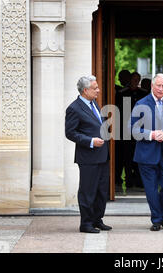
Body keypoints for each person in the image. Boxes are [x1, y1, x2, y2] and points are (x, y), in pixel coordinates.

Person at [130, 73, 163, 231]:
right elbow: (133, 129)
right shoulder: (141, 103)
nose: (161, 89)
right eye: (158, 85)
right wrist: (151, 134)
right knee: (151, 189)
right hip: (146, 154)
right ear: (152, 85)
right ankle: (157, 219)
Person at [65, 75, 112, 233]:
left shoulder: (94, 104)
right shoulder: (74, 108)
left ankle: (97, 219)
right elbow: (70, 133)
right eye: (95, 88)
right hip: (88, 158)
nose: (98, 90)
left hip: (102, 155)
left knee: (101, 191)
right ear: (85, 90)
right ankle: (86, 224)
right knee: (87, 191)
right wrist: (90, 141)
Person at [120, 72, 149, 188]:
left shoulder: (144, 94)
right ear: (130, 80)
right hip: (126, 129)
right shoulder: (122, 93)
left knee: (140, 155)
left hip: (141, 129)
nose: (135, 81)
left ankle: (139, 179)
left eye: (138, 79)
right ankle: (128, 180)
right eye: (134, 79)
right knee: (127, 156)